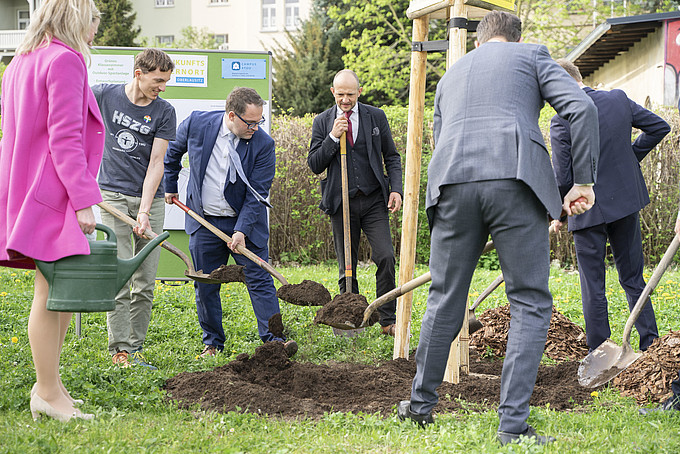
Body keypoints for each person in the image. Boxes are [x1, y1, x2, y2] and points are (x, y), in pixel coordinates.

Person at [397, 11, 600, 445]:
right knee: (528, 300)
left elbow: (438, 137)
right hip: (516, 179)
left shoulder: (451, 76)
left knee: (445, 295)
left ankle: (419, 406)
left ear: (478, 42)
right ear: (515, 38)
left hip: (451, 182)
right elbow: (580, 107)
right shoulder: (532, 56)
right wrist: (582, 181)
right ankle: (511, 426)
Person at [0, 0, 103, 422]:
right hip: (53, 192)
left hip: (26, 189)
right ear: (79, 18)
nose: (97, 29)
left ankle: (53, 386)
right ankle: (45, 391)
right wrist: (83, 200)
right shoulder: (65, 60)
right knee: (52, 293)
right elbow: (65, 139)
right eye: (95, 20)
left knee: (59, 291)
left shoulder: (21, 60)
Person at [164, 87, 297, 358]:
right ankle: (212, 343)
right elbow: (172, 153)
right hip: (205, 221)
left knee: (259, 279)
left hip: (245, 225)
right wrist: (170, 185)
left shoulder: (263, 144)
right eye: (251, 122)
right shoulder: (197, 124)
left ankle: (274, 341)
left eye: (259, 122)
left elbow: (257, 193)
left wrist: (241, 230)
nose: (256, 128)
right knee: (206, 283)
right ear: (232, 115)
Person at [551, 59, 669, 353]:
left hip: (585, 211)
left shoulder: (562, 118)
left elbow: (563, 176)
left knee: (594, 287)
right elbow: (659, 127)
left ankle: (600, 354)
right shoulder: (617, 99)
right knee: (633, 278)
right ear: (579, 77)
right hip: (625, 203)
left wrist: (559, 214)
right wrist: (630, 158)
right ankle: (649, 345)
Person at [93, 49, 177, 369]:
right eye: (158, 80)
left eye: (166, 81)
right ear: (139, 73)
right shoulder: (104, 95)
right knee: (118, 272)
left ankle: (136, 346)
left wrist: (143, 211)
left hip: (149, 201)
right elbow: (69, 111)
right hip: (111, 197)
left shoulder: (164, 112)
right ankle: (120, 349)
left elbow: (157, 163)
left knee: (144, 279)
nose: (163, 87)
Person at [308, 69, 403, 336]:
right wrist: (331, 138)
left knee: (385, 256)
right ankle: (350, 321)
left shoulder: (376, 117)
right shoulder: (323, 121)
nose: (345, 100)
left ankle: (387, 319)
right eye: (340, 95)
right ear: (333, 93)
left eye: (350, 94)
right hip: (341, 202)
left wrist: (396, 189)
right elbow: (315, 164)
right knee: (346, 265)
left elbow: (391, 157)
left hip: (373, 200)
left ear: (359, 92)